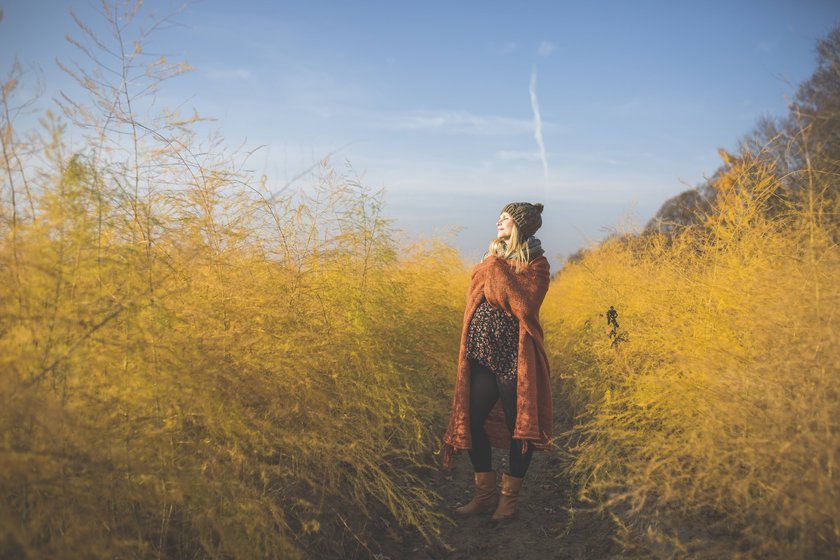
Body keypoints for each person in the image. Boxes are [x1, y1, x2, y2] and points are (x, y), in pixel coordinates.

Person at [441, 202, 552, 522]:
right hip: (482, 355)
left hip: (513, 358)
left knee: (521, 427)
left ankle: (509, 500)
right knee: (471, 420)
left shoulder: (537, 263)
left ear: (520, 225)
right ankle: (484, 495)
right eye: (499, 217)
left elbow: (525, 304)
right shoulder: (490, 259)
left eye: (505, 219)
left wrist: (496, 268)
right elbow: (475, 296)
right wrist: (493, 266)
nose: (498, 222)